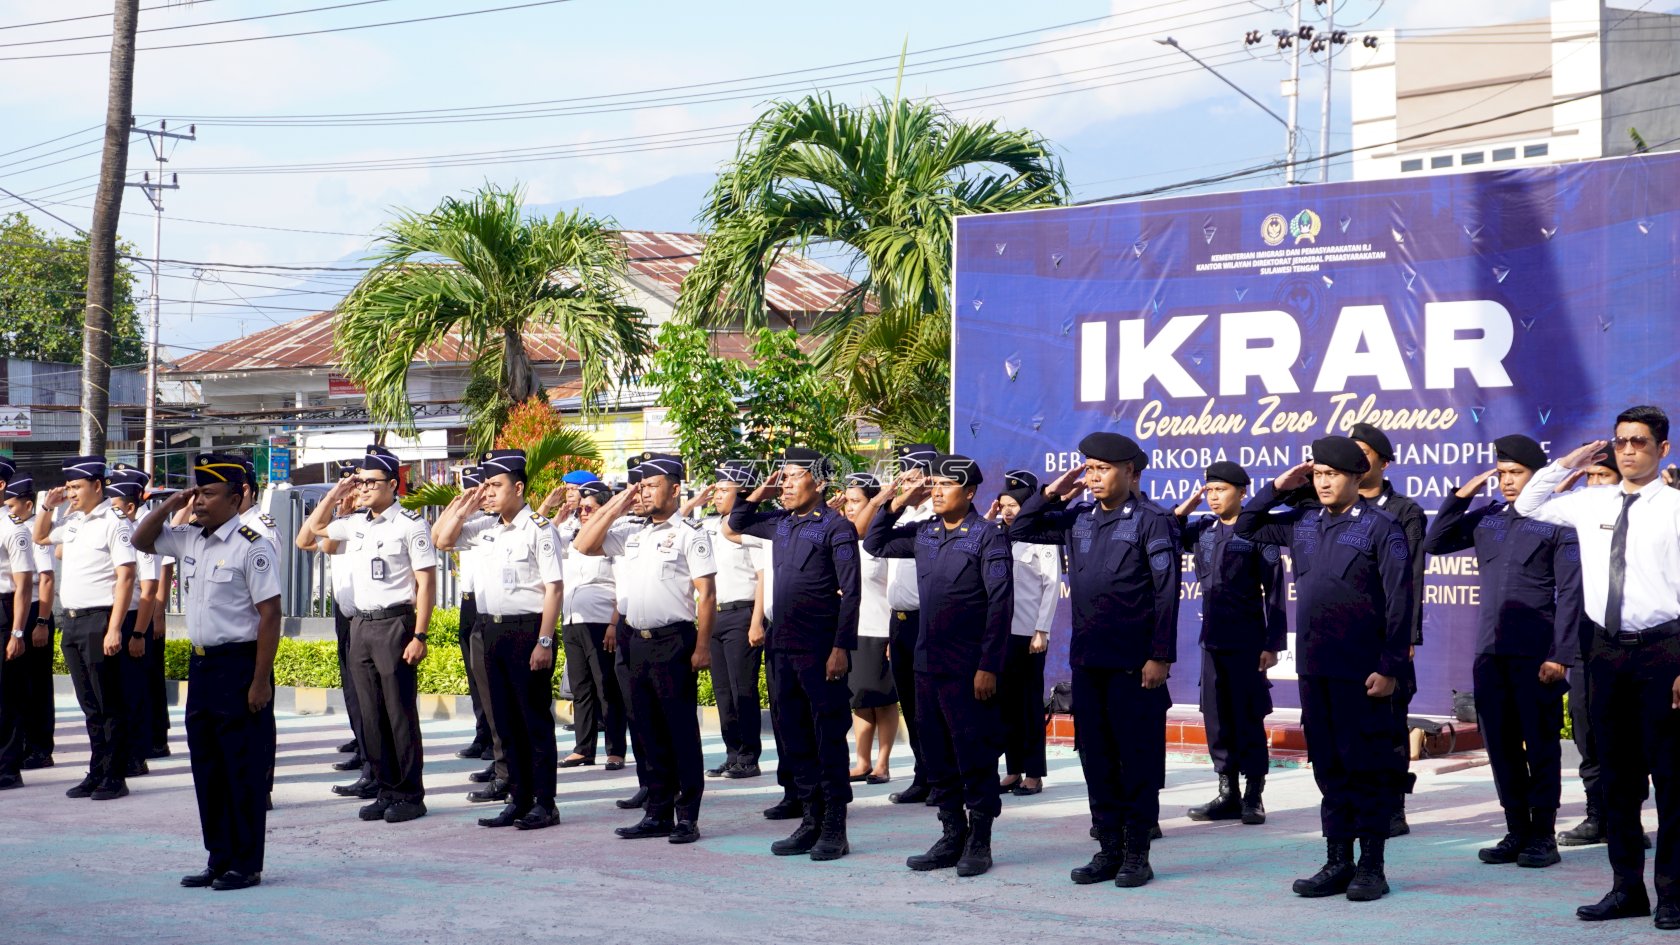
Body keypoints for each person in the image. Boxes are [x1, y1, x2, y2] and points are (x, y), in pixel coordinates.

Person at [1514, 407, 1680, 928]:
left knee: (1671, 779)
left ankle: (1673, 894)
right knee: (1617, 779)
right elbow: (1526, 503)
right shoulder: (1592, 502)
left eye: (1640, 442)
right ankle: (1626, 889)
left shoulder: (1676, 507)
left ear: (1663, 450)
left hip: (1664, 651)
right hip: (1604, 652)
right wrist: (1568, 461)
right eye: (1621, 442)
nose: (1628, 450)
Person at [1235, 437, 1413, 901]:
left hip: (1363, 673)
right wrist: (1278, 486)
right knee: (1329, 768)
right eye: (1318, 474)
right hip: (1316, 668)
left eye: (1333, 474)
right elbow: (1248, 525)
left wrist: (1391, 666)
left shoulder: (1382, 527)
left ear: (1357, 477)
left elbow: (1400, 602)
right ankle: (1338, 861)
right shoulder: (1304, 522)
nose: (1325, 481)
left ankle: (1371, 866)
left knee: (1366, 768)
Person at [1009, 433, 1179, 889]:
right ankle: (1108, 848)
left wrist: (1160, 654)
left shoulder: (1151, 521)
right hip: (1088, 661)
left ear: (1130, 473)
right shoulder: (1078, 519)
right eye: (1089, 468)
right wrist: (1050, 493)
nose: (1094, 475)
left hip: (1133, 664)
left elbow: (1166, 594)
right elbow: (1020, 529)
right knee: (1097, 760)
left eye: (1104, 468)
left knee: (1136, 759)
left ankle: (1137, 854)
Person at [1423, 434, 1581, 869]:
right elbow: (1435, 542)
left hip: (1537, 654)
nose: (1509, 482)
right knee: (1502, 746)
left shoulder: (1558, 521)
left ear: (1537, 475)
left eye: (1517, 473)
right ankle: (1516, 830)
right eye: (1504, 473)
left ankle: (1542, 836)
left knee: (1541, 744)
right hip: (1489, 651)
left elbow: (1570, 593)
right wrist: (1460, 497)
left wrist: (1560, 654)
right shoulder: (1488, 518)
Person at [134, 455, 281, 891]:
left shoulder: (252, 544)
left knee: (242, 768)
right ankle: (218, 858)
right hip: (202, 666)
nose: (199, 502)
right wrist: (168, 504)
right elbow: (143, 542)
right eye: (197, 492)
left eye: (209, 494)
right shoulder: (190, 539)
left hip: (239, 665)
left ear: (236, 498)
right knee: (208, 769)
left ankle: (246, 863)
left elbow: (270, 614)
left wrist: (260, 680)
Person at [865, 454, 1013, 876]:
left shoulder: (988, 536)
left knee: (974, 752)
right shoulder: (925, 533)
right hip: (927, 662)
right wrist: (896, 499)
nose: (938, 491)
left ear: (969, 493)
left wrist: (989, 664)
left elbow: (1001, 603)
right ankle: (951, 834)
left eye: (948, 485)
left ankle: (979, 841)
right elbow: (875, 542)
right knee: (935, 751)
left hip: (968, 667)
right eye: (935, 484)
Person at [574, 453, 715, 845]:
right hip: (635, 642)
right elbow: (585, 544)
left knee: (680, 732)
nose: (645, 492)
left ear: (675, 488)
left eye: (652, 484)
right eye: (641, 485)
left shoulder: (689, 532)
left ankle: (687, 815)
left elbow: (707, 594)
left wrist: (702, 647)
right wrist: (621, 500)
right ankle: (657, 812)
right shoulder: (631, 532)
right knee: (645, 730)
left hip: (674, 641)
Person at [730, 448, 861, 860]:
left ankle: (834, 827)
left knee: (828, 737)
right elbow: (738, 521)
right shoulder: (782, 525)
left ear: (818, 483)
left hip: (821, 650)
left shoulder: (836, 528)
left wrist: (841, 647)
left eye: (792, 476)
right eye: (781, 477)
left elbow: (852, 592)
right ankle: (810, 819)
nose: (784, 483)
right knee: (793, 736)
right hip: (782, 646)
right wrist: (764, 489)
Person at [300, 445, 437, 824]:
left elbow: (426, 583)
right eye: (361, 482)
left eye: (371, 482)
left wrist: (420, 635)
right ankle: (383, 787)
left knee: (398, 713)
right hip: (360, 624)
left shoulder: (410, 524)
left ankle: (410, 794)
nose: (365, 488)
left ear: (393, 484)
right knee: (371, 714)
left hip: (395, 624)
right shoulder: (357, 522)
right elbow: (315, 530)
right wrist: (336, 493)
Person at [434, 450, 565, 831]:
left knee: (534, 722)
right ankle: (518, 798)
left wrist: (544, 640)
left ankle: (545, 802)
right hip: (490, 630)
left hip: (527, 630)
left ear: (518, 487)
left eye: (495, 485)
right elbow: (442, 540)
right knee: (504, 721)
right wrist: (464, 506)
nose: (487, 492)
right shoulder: (485, 527)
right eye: (485, 486)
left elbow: (554, 588)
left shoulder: (539, 529)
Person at [1173, 461, 1287, 825]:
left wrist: (1272, 643)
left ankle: (1254, 795)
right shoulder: (1203, 532)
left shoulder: (1260, 532)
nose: (1213, 497)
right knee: (1216, 718)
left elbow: (1275, 592)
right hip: (1212, 641)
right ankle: (1228, 793)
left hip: (1248, 641)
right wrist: (1184, 509)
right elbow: (1164, 531)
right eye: (1209, 491)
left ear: (1242, 492)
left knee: (1248, 717)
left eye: (1220, 490)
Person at [34, 455, 137, 802]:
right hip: (74, 623)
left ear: (97, 485)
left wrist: (115, 629)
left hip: (99, 620)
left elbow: (126, 577)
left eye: (77, 487)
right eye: (70, 487)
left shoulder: (114, 522)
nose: (72, 493)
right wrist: (48, 506)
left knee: (108, 704)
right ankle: (96, 771)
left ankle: (114, 776)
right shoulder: (75, 521)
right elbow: (41, 536)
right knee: (89, 705)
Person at [1347, 423, 1427, 838]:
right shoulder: (1331, 507)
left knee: (1391, 725)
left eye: (1364, 454)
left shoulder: (1404, 511)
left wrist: (1406, 639)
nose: (1357, 463)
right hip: (1346, 640)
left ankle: (1394, 806)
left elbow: (1411, 576)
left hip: (1387, 637)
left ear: (1384, 461)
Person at [300, 462, 377, 798]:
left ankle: (376, 764)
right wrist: (335, 501)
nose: (357, 489)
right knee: (352, 690)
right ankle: (364, 750)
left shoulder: (370, 525)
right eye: (352, 484)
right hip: (346, 613)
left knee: (373, 698)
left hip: (372, 617)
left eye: (362, 483)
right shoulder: (345, 523)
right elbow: (306, 540)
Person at [1559, 449, 1619, 845]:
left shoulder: (1648, 517)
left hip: (1636, 643)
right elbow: (1535, 506)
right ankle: (1598, 816)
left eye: (1604, 475)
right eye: (1590, 476)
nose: (1595, 483)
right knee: (1588, 732)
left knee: (1636, 737)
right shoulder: (1572, 520)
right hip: (1583, 644)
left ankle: (1625, 816)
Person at [546, 477, 627, 771]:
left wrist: (614, 624)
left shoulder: (613, 538)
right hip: (572, 619)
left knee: (607, 687)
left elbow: (623, 583)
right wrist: (552, 509)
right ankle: (583, 749)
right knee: (581, 688)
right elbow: (542, 536)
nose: (583, 513)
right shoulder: (572, 536)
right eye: (581, 508)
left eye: (590, 508)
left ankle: (615, 750)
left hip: (601, 620)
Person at [987, 470, 1058, 797]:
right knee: (1005, 705)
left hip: (1029, 635)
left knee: (1029, 706)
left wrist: (1041, 629)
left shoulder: (1041, 535)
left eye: (1013, 504)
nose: (1007, 510)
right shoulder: (996, 535)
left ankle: (1034, 773)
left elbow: (1051, 585)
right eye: (1003, 504)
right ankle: (1012, 770)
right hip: (1001, 634)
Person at [696, 461, 766, 779]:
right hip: (717, 617)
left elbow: (763, 575)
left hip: (742, 613)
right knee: (723, 690)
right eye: (717, 488)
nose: (717, 495)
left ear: (744, 493)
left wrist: (756, 621)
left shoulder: (752, 527)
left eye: (725, 490)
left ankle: (750, 756)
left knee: (743, 689)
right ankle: (732, 752)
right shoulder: (711, 526)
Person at [886, 443, 939, 806]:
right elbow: (873, 539)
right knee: (910, 702)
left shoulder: (938, 512)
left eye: (912, 472)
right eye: (903, 471)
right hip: (901, 620)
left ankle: (942, 776)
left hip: (928, 621)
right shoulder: (901, 515)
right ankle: (923, 773)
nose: (905, 477)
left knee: (931, 704)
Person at [838, 472, 897, 786]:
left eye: (856, 501)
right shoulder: (841, 539)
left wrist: (892, 633)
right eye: (847, 502)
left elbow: (895, 589)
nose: (850, 508)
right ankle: (861, 761)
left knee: (884, 699)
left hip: (880, 628)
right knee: (859, 697)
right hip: (852, 630)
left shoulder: (885, 540)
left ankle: (882, 763)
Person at [105, 465, 160, 778]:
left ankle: (136, 756)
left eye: (114, 504)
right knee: (115, 691)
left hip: (134, 620)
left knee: (133, 690)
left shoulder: (141, 534)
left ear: (129, 506)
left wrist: (139, 632)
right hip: (116, 615)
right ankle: (121, 752)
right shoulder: (113, 530)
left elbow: (149, 588)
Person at [5, 477, 57, 770]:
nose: (10, 510)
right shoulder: (16, 528)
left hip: (36, 610)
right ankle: (23, 744)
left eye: (13, 506)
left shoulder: (35, 532)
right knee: (18, 684)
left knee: (37, 684)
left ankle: (40, 748)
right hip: (18, 608)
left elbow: (47, 579)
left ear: (28, 504)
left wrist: (41, 622)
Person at [453, 465, 497, 767]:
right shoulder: (466, 524)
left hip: (487, 604)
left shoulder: (490, 525)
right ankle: (482, 733)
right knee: (474, 676)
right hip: (468, 603)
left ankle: (495, 740)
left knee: (489, 679)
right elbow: (439, 537)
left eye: (477, 490)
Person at [0, 458, 39, 790]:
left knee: (6, 694)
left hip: (4, 611)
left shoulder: (13, 528)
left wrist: (16, 631)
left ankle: (8, 768)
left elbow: (24, 585)